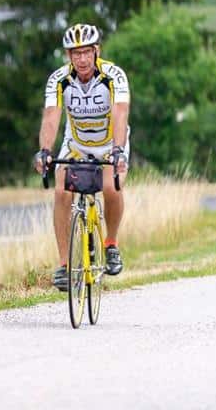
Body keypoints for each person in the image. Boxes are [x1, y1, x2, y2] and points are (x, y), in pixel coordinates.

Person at [34, 23, 130, 291]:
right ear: (69, 56)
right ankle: (64, 265)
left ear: (96, 51)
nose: (82, 59)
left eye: (86, 52)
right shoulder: (59, 79)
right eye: (76, 54)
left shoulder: (115, 76)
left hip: (110, 142)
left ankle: (111, 244)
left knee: (112, 187)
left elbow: (121, 113)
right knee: (62, 191)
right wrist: (45, 150)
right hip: (76, 143)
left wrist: (118, 149)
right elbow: (51, 116)